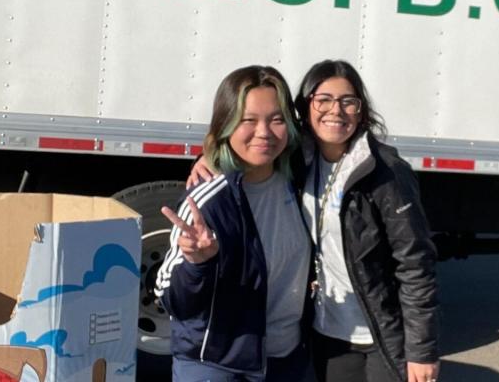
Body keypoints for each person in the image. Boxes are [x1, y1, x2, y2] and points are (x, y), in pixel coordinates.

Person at [189, 60, 440, 382]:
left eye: (348, 101)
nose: (336, 110)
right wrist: (208, 156)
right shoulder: (298, 160)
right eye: (323, 100)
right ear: (306, 108)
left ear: (361, 112)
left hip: (379, 334)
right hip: (327, 332)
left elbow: (416, 264)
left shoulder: (385, 172)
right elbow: (247, 141)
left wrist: (422, 351)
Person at [156, 65, 312, 382]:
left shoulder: (297, 182)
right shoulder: (207, 199)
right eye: (248, 120)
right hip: (217, 364)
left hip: (286, 359)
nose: (264, 132)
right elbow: (169, 297)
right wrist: (196, 263)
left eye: (277, 119)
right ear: (226, 124)